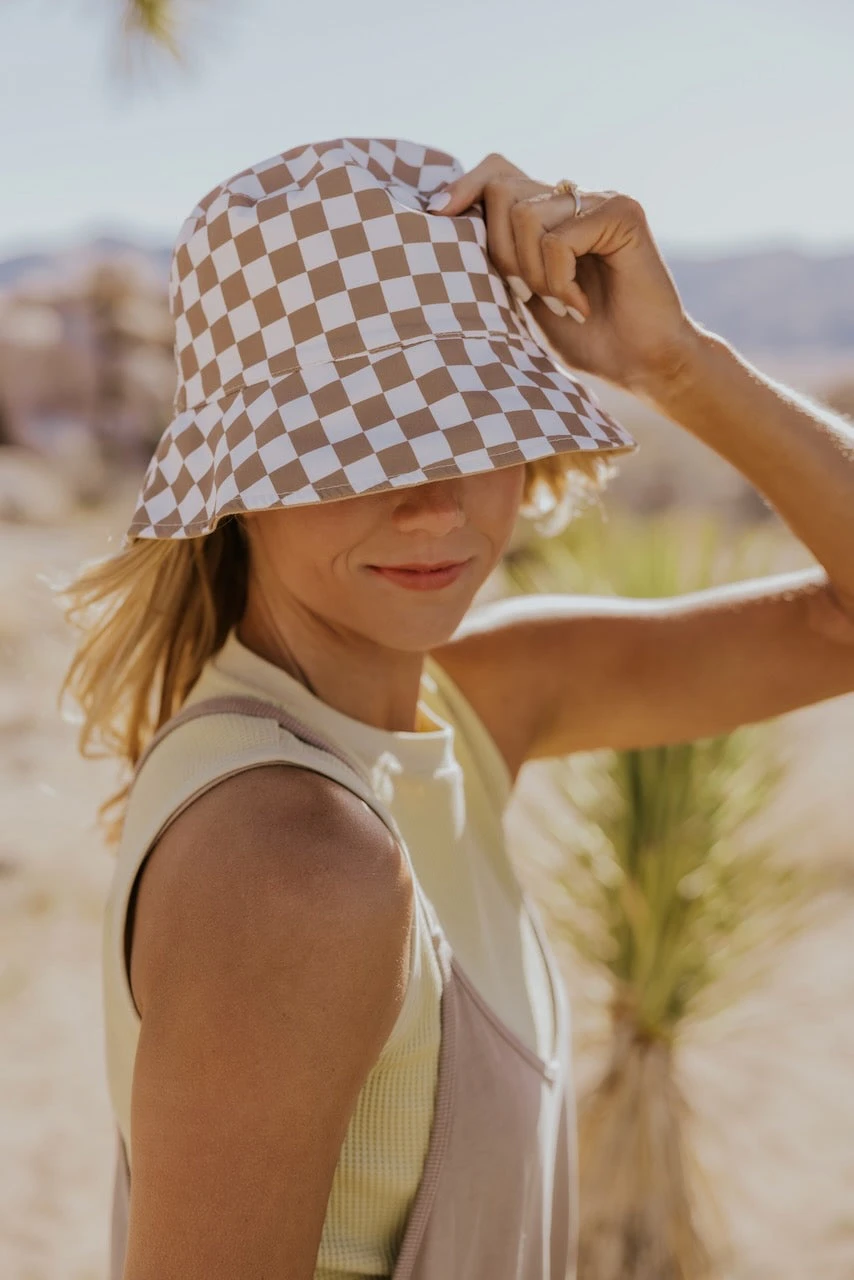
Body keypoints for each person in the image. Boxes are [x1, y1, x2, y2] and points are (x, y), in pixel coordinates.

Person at [59, 137, 854, 1280]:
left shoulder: (455, 707)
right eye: (351, 446)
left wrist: (675, 363)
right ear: (240, 482)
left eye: (467, 427)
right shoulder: (296, 860)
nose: (430, 503)